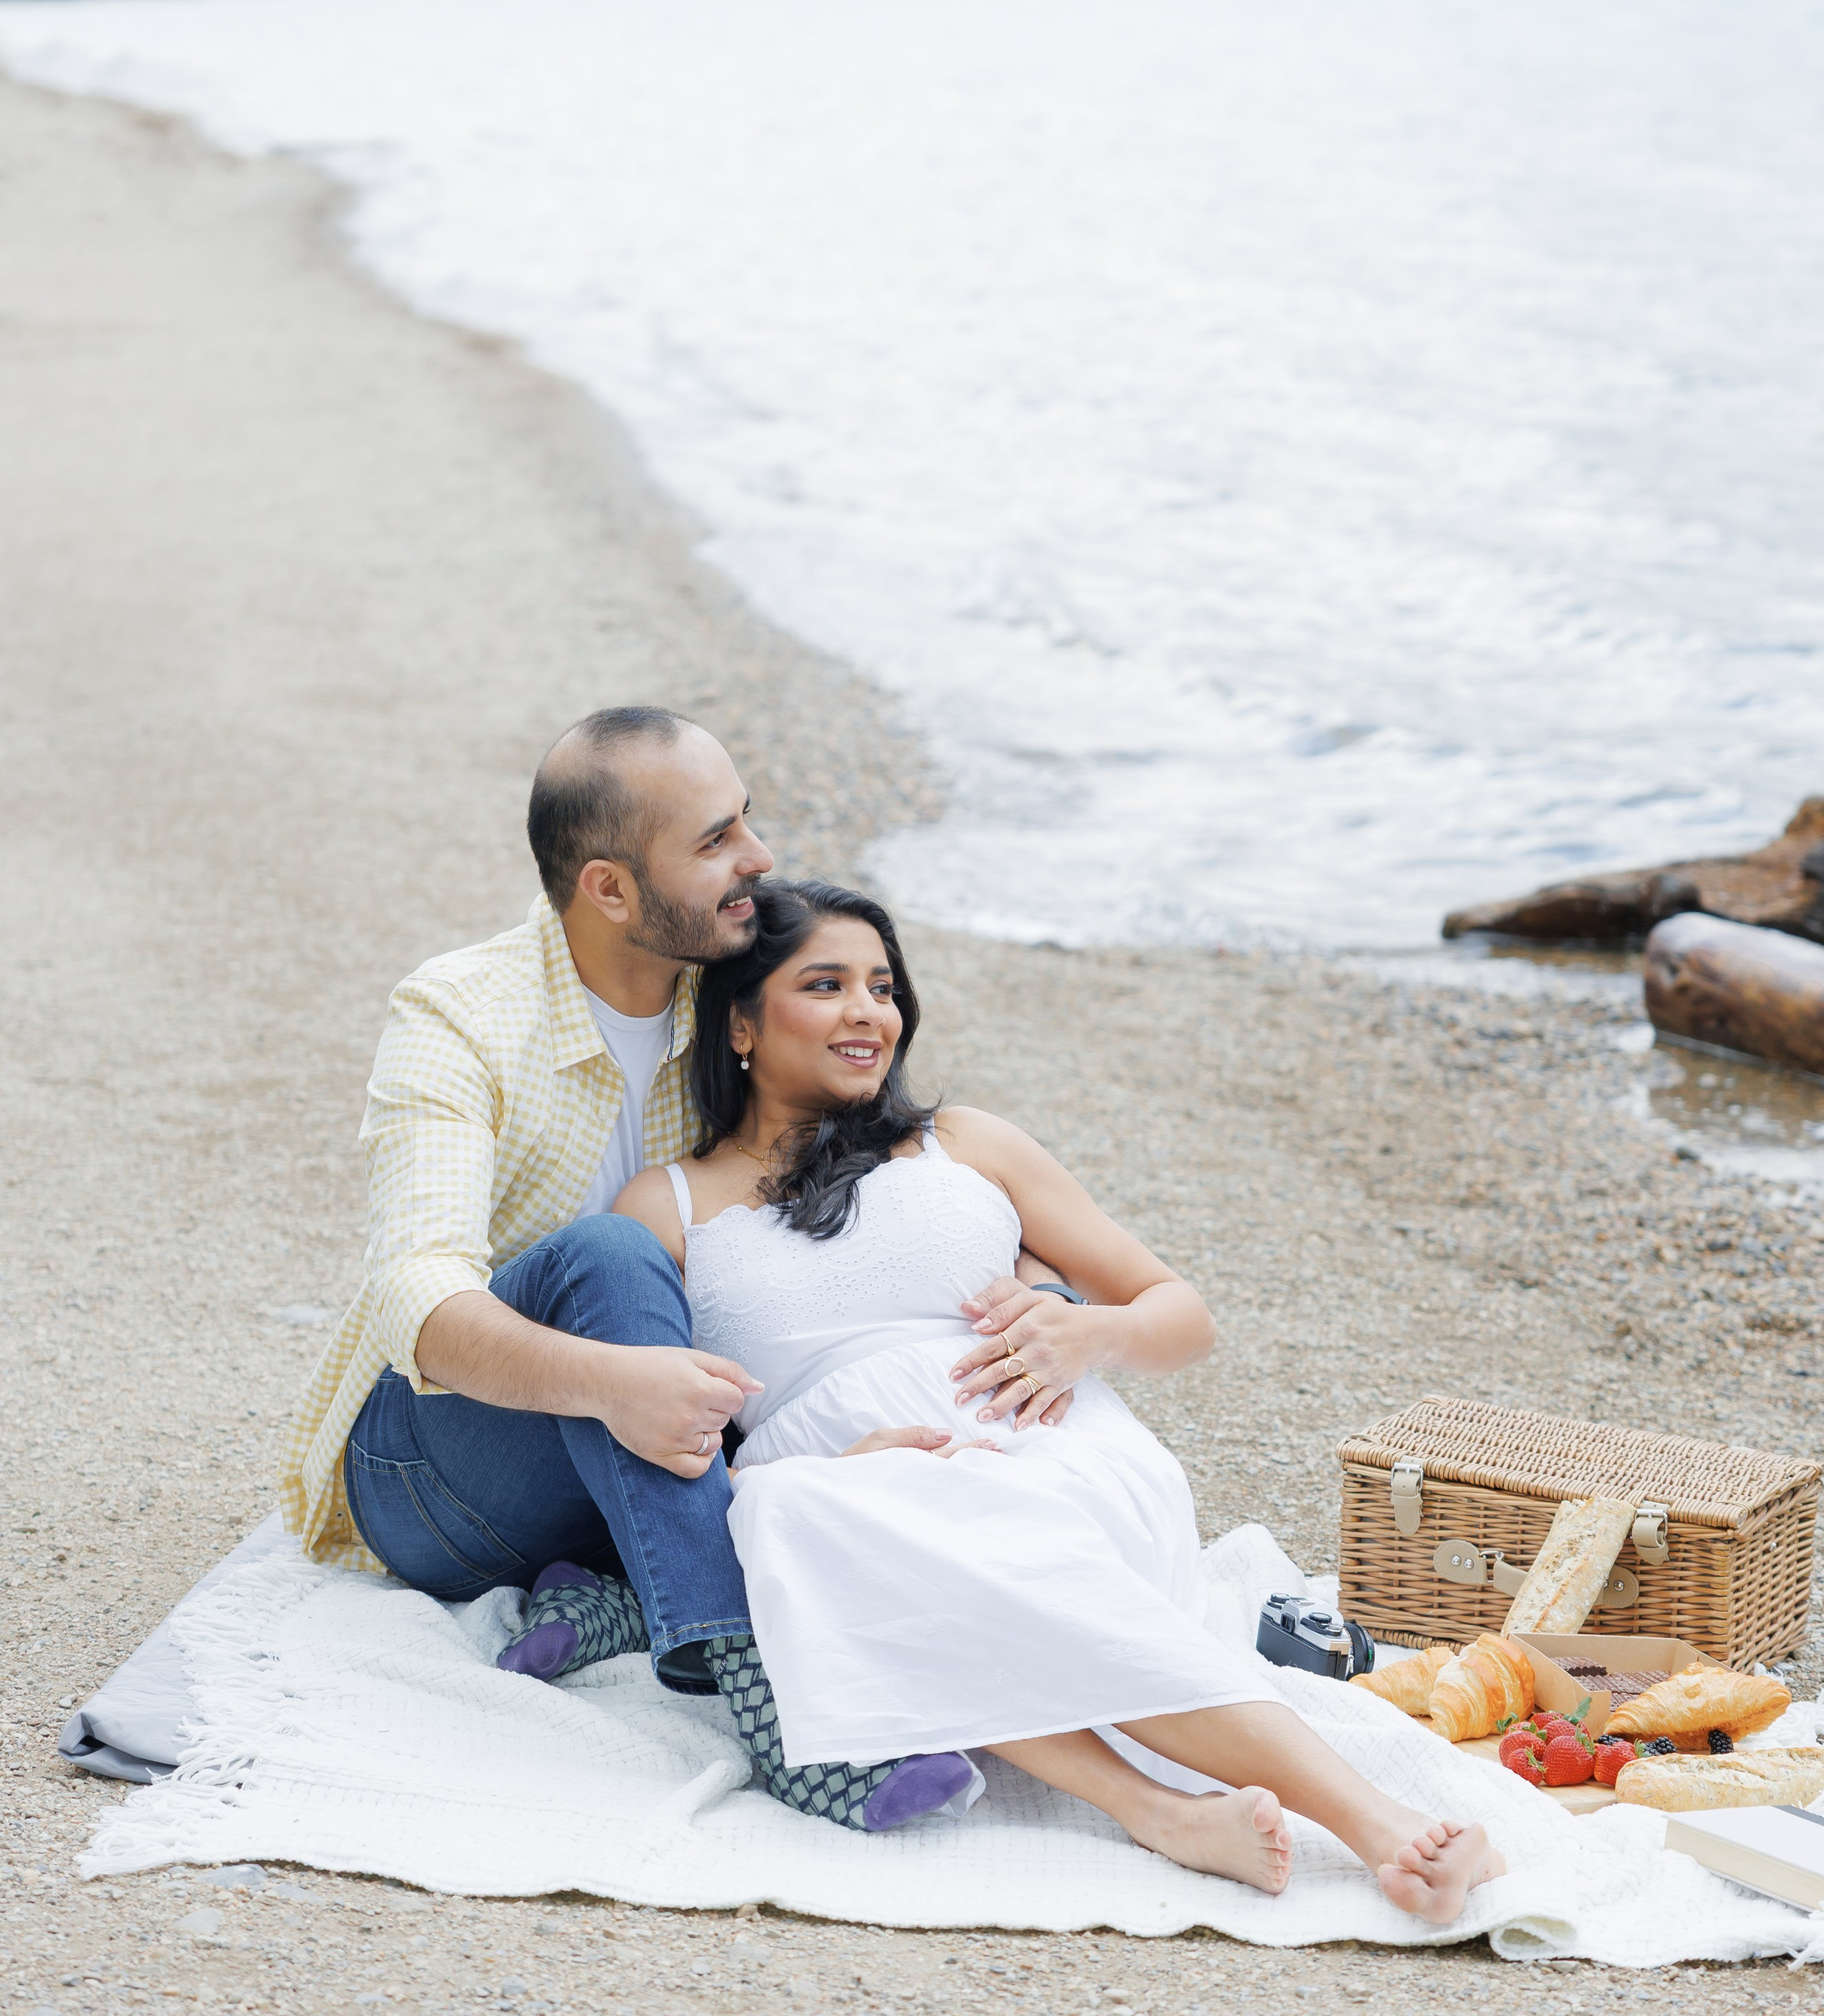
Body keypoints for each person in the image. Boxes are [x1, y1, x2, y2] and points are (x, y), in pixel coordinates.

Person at [614, 877, 1505, 1920]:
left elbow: (1183, 1312)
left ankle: (1376, 1823)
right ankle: (1162, 1812)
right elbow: (658, 1429)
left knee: (922, 1537)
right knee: (790, 1510)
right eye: (827, 984)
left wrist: (1092, 1332)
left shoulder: (966, 1145)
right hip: (841, 1495)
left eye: (884, 987)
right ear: (741, 1024)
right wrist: (830, 1470)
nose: (870, 1012)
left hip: (1041, 1447)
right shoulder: (666, 1206)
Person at [278, 707, 992, 1831]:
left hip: (658, 1446)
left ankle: (618, 1600)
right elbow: (414, 1302)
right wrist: (617, 1384)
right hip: (436, 1467)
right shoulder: (457, 1015)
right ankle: (775, 1705)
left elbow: (883, 1153)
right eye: (716, 841)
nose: (757, 858)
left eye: (746, 821)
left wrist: (1037, 1299)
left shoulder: (738, 994)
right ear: (610, 889)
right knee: (611, 1254)